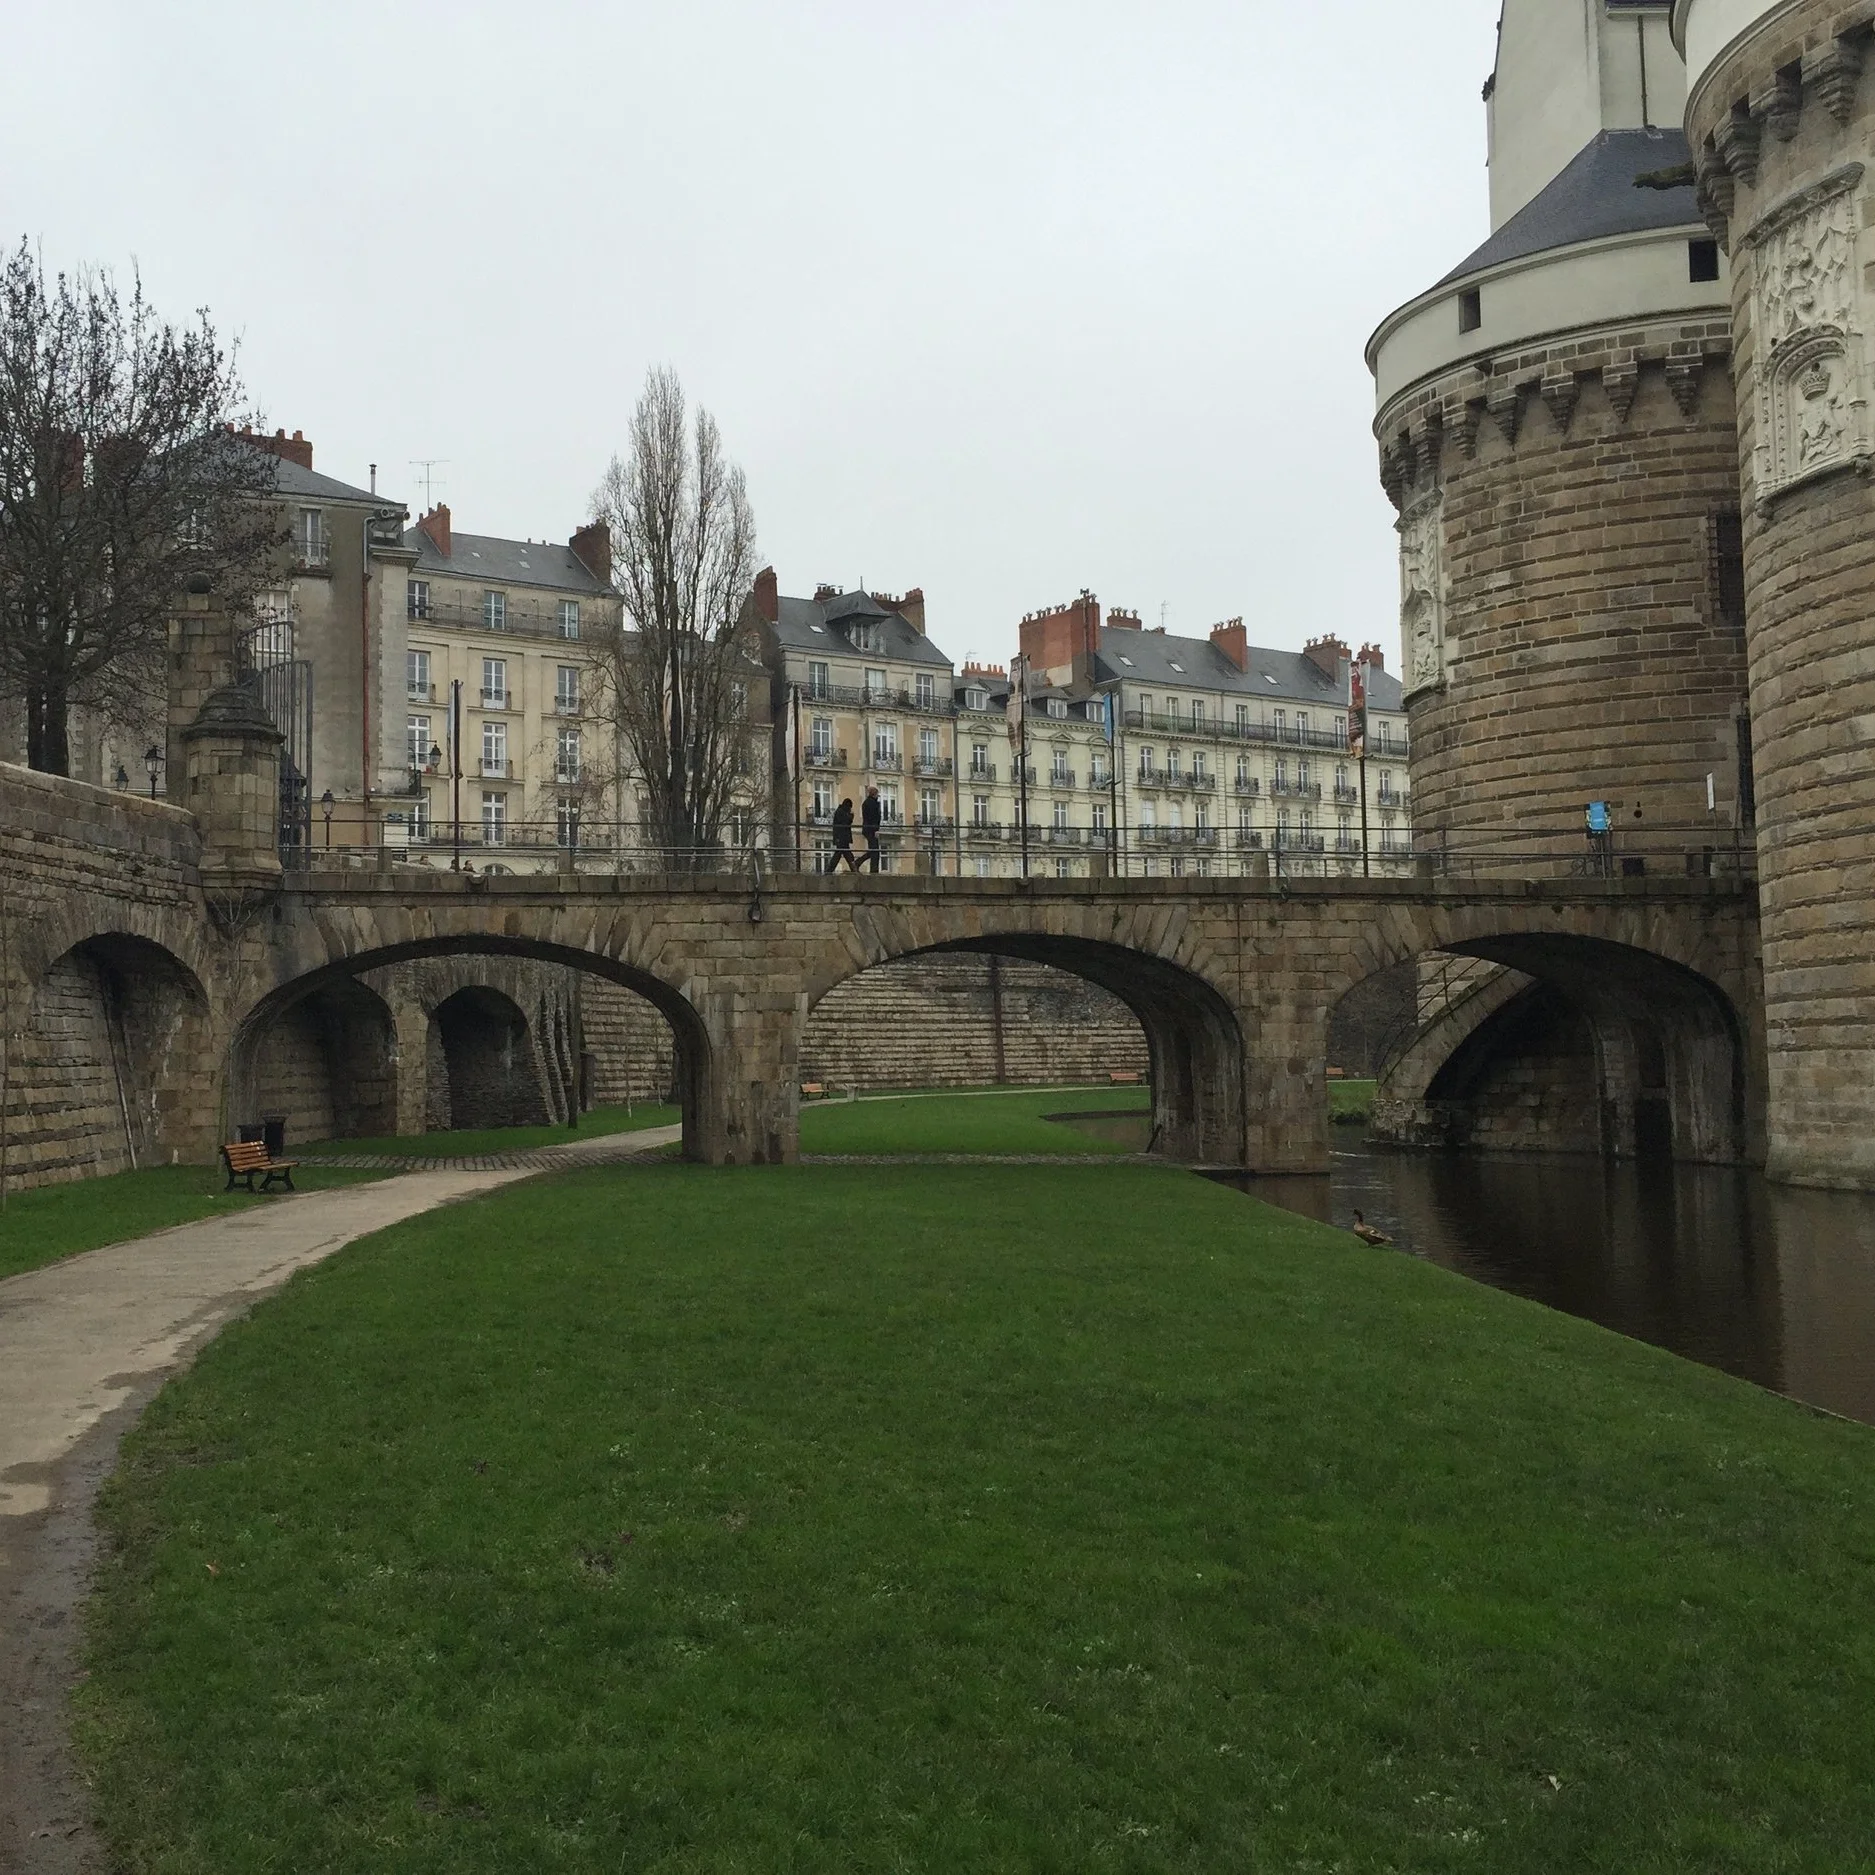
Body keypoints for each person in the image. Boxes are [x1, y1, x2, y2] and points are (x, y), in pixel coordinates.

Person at [830, 797, 860, 872]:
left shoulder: (840, 811)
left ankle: (853, 868)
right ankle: (854, 868)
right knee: (843, 854)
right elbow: (846, 823)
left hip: (841, 837)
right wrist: (851, 816)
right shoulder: (841, 812)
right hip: (842, 837)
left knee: (843, 854)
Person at [861, 784, 885, 873]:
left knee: (873, 850)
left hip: (868, 829)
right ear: (874, 794)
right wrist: (876, 830)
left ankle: (858, 862)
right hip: (871, 829)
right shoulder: (872, 803)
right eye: (877, 794)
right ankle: (873, 870)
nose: (878, 796)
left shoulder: (867, 802)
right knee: (875, 851)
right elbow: (873, 818)